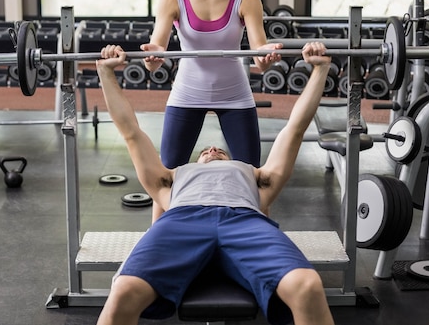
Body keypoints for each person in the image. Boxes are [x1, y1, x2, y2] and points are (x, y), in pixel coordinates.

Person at [95, 43, 334, 325]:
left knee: (307, 286)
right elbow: (130, 131)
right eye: (206, 151)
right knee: (124, 290)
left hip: (246, 222)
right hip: (182, 221)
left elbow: (295, 128)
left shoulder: (255, 176)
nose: (212, 149)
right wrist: (105, 72)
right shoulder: (170, 179)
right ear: (193, 164)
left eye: (218, 150)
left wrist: (320, 68)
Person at [140, 0, 282, 178]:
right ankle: (158, 223)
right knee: (167, 176)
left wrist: (266, 56)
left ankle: (256, 221)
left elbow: (260, 58)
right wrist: (153, 58)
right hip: (187, 92)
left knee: (252, 177)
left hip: (235, 95)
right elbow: (157, 50)